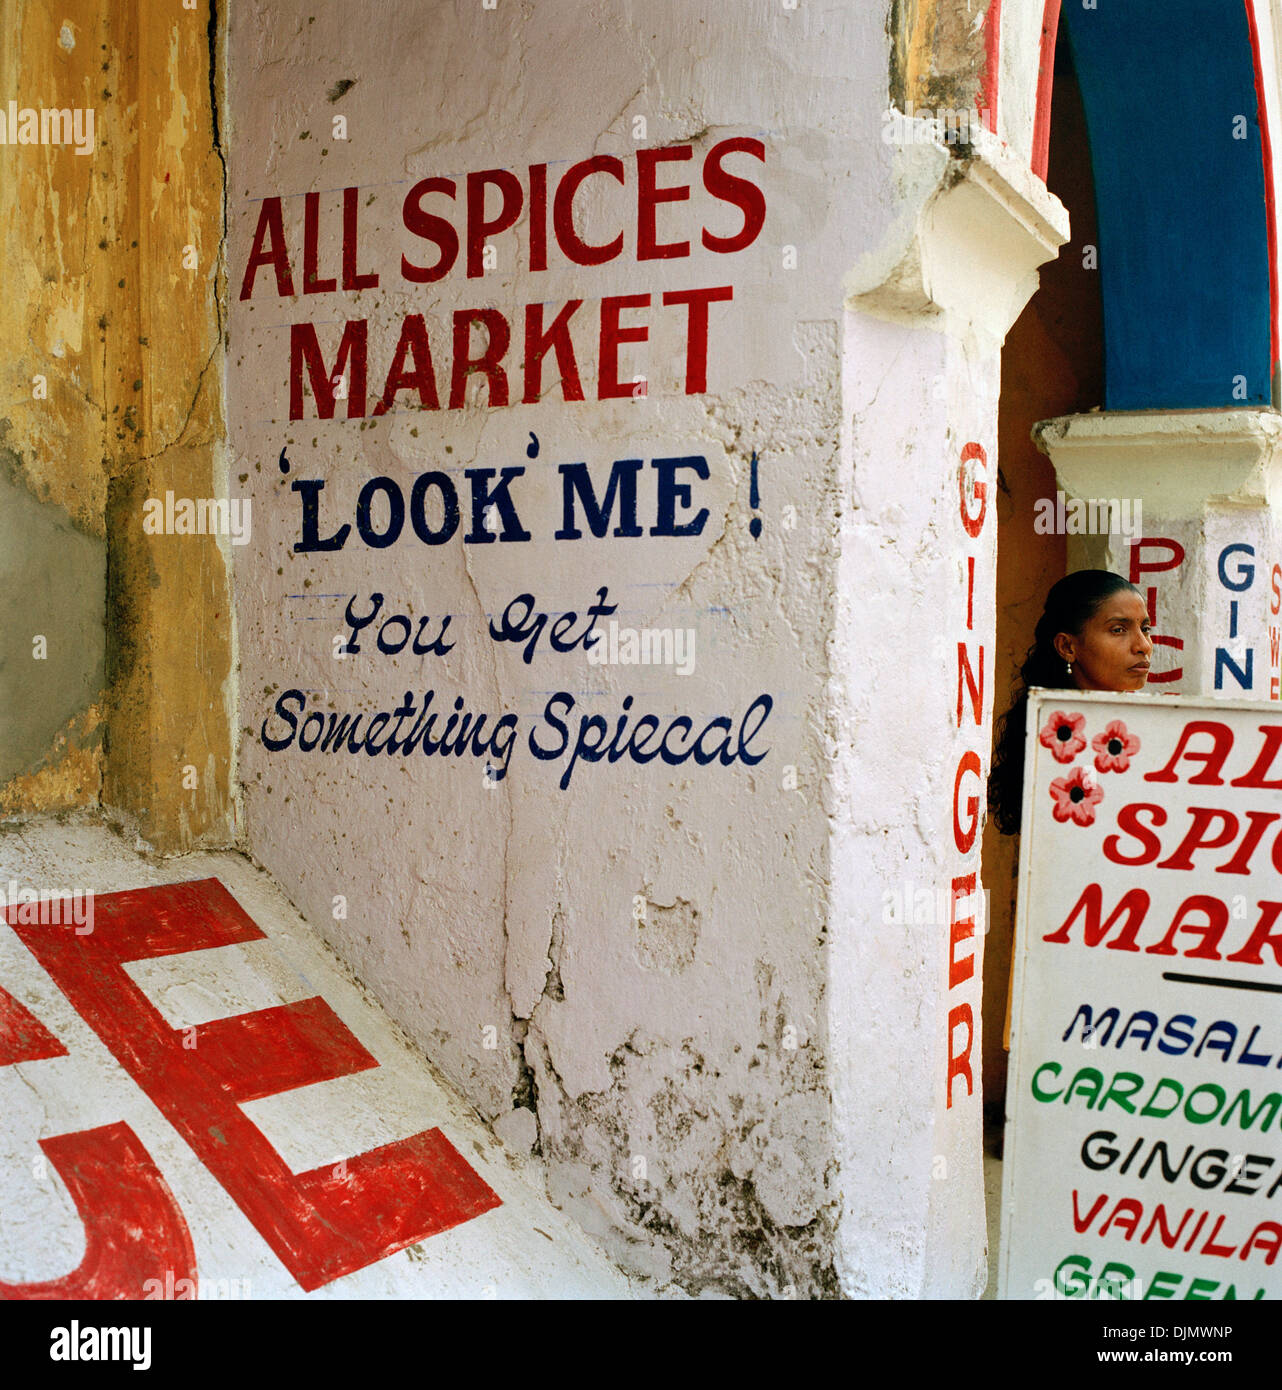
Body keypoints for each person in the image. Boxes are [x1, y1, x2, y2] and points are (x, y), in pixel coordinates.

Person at [988, 569, 1153, 837]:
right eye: (1118, 629)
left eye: (1145, 628)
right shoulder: (1058, 744)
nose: (1143, 645)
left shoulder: (1147, 731)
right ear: (1067, 647)